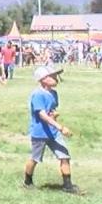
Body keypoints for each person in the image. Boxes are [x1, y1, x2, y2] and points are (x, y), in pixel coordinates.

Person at [24, 66, 80, 194]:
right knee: (35, 158)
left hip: (53, 133)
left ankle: (68, 186)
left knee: (64, 156)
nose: (56, 78)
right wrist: (60, 127)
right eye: (53, 76)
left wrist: (54, 115)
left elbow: (50, 111)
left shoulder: (54, 94)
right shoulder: (37, 95)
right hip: (40, 133)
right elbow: (42, 115)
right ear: (43, 79)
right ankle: (27, 182)